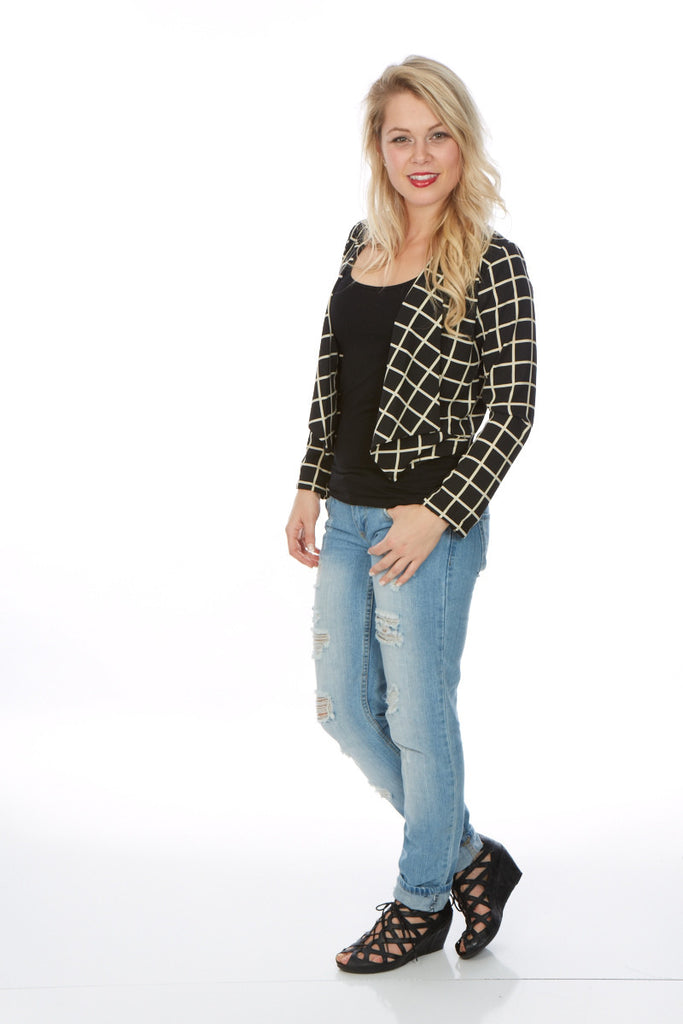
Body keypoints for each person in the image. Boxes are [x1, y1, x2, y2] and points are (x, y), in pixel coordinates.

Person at [285, 55, 536, 974]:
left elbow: (511, 409)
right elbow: (333, 377)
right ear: (378, 147)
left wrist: (438, 512)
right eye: (401, 137)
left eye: (437, 135)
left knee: (420, 720)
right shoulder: (361, 244)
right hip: (347, 518)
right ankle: (470, 855)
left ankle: (421, 899)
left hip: (428, 529)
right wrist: (309, 483)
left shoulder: (493, 264)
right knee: (344, 709)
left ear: (462, 143)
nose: (419, 156)